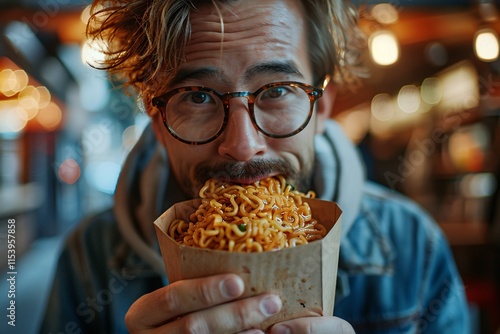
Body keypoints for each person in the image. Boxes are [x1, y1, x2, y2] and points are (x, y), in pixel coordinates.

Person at [40, 0, 470, 333]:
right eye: (197, 96)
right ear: (157, 120)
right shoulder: (91, 258)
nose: (242, 148)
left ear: (324, 105)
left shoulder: (412, 246)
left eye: (278, 90)